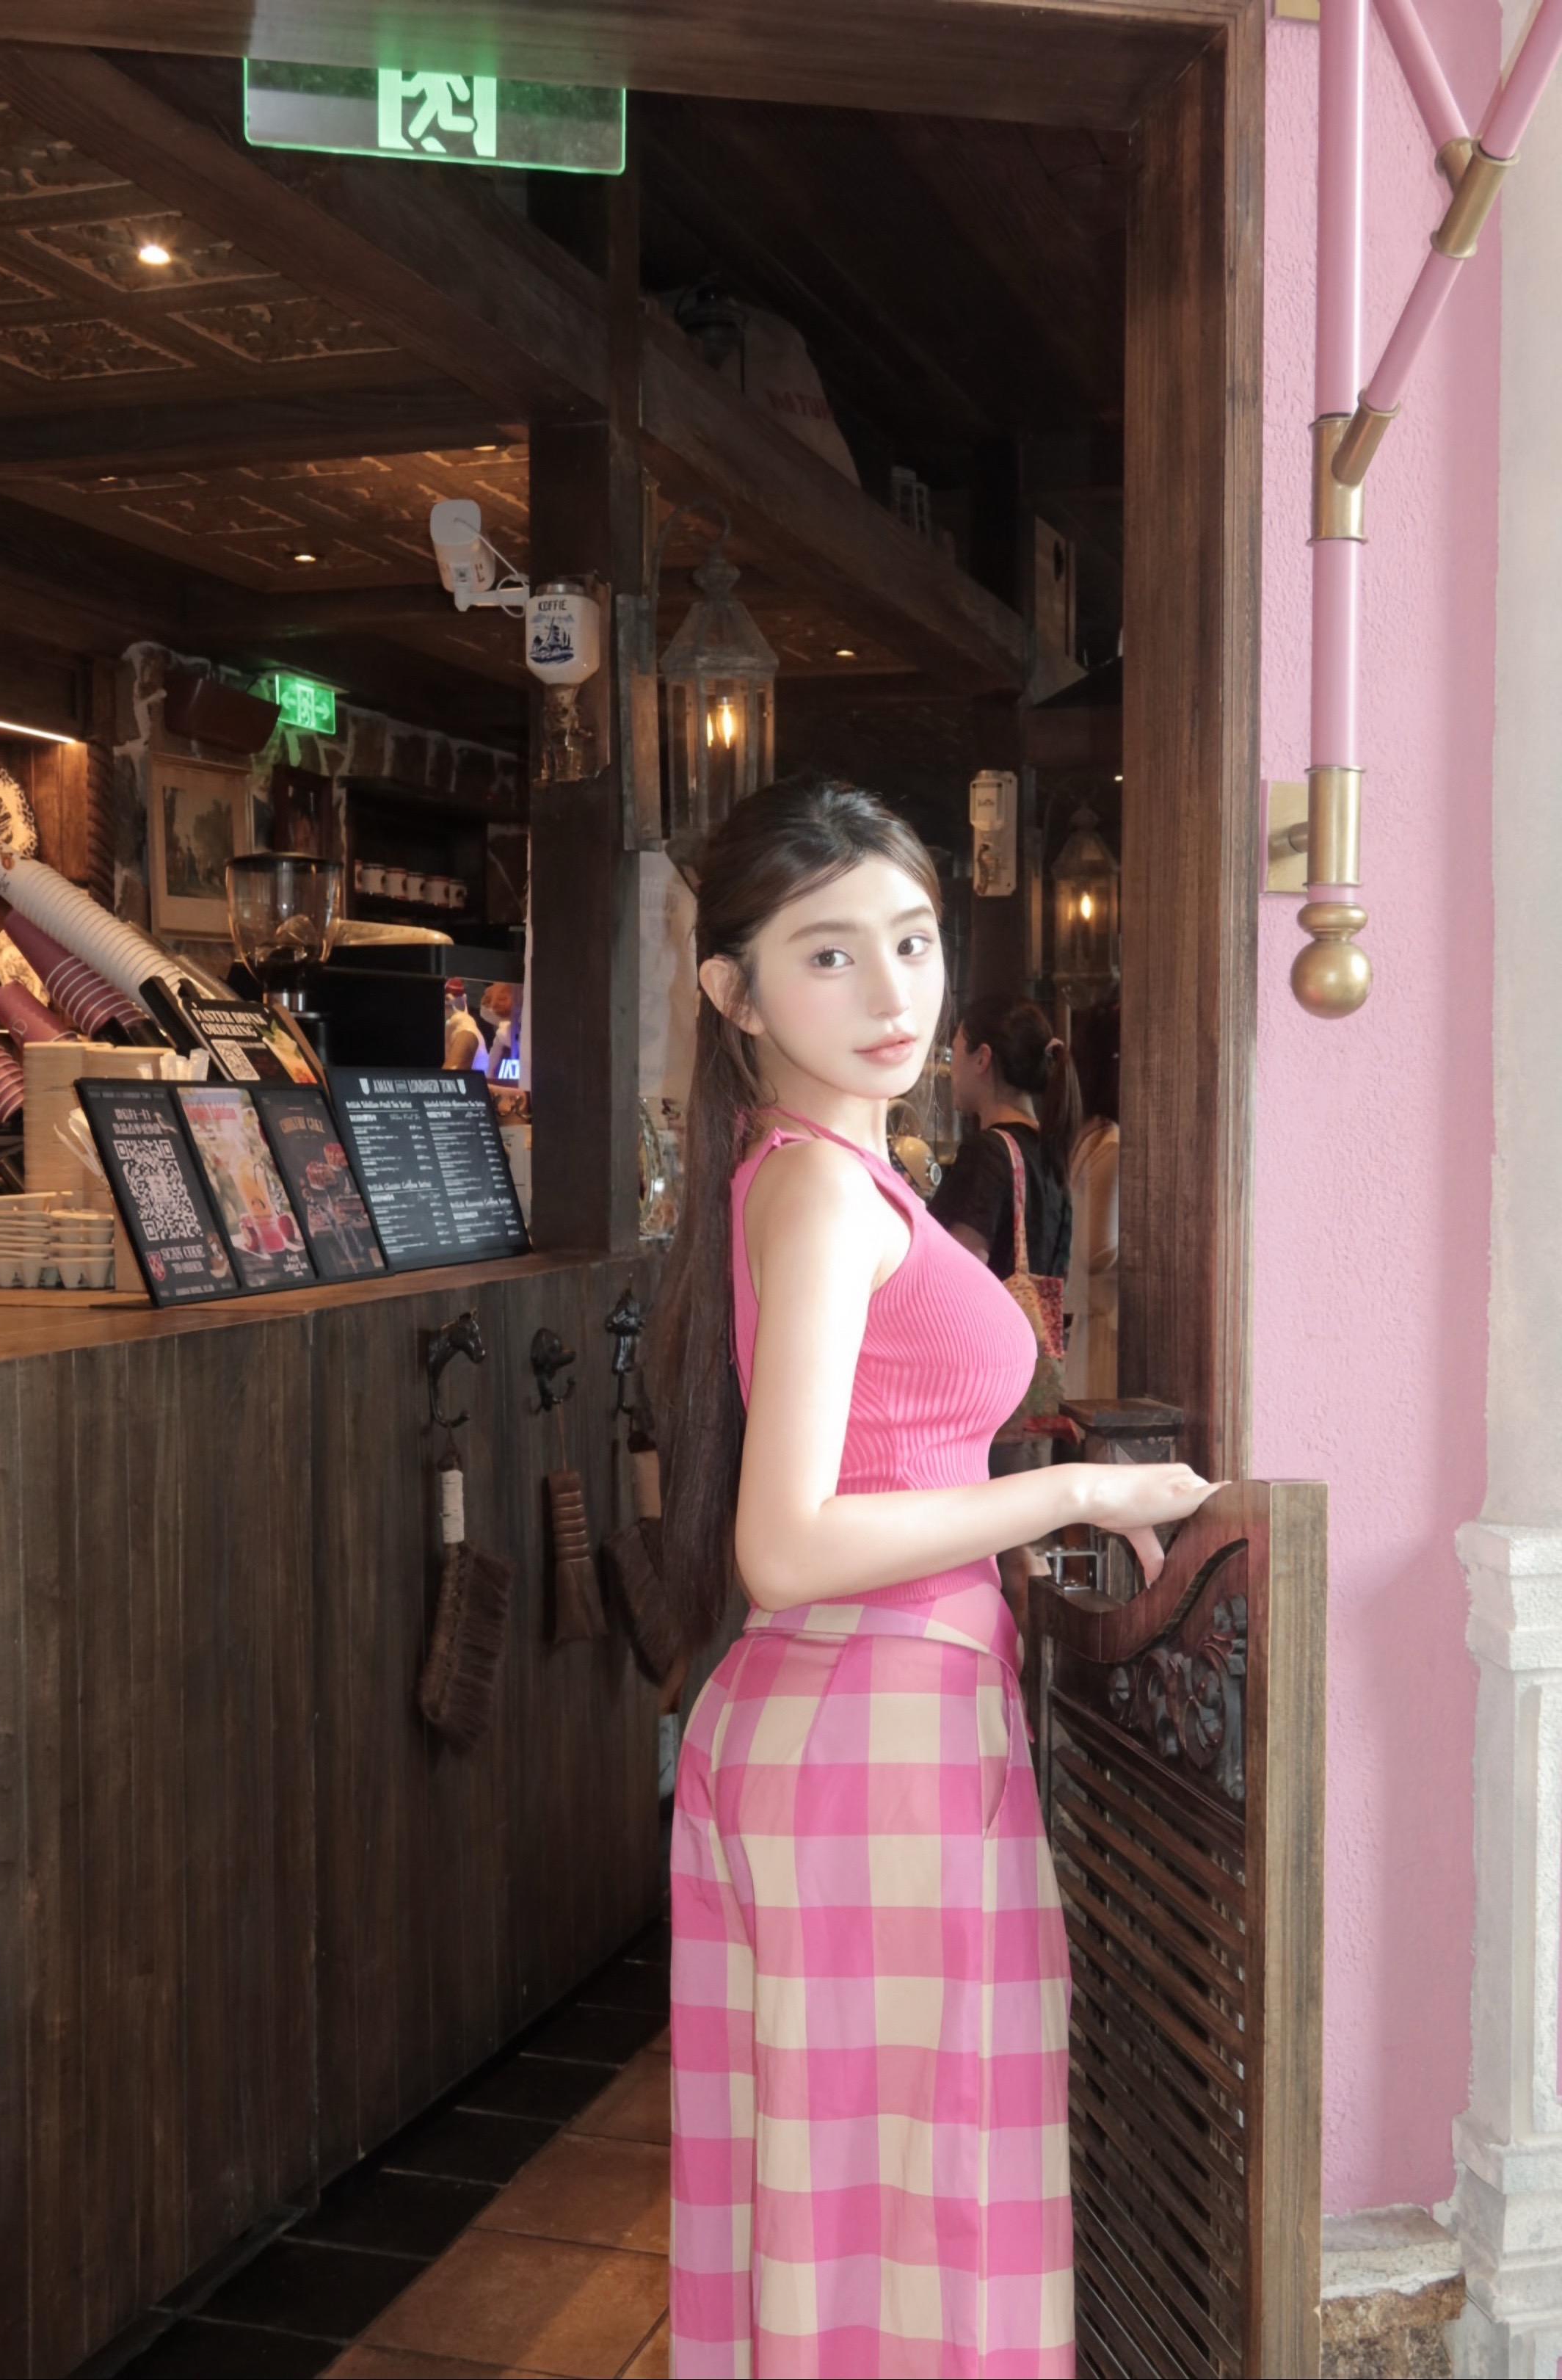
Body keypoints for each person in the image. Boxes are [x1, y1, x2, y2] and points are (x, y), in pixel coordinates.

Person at [650, 774, 1217, 2380]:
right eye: (827, 954)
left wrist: (1008, 1513)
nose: (891, 990)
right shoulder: (822, 1188)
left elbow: (873, 1472)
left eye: (911, 940)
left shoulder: (826, 1167)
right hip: (868, 1738)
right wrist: (1076, 1489)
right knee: (908, 2231)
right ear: (735, 994)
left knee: (859, 2222)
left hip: (864, 1724)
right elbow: (786, 1542)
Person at [931, 993, 1080, 1476]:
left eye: (957, 1052)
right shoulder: (1048, 1156)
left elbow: (960, 1273)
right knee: (1022, 1518)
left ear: (983, 1059)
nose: (952, 1070)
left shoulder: (990, 1152)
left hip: (982, 1389)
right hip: (1033, 1385)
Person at [1066, 1001, 1121, 1401]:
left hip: (1096, 1325)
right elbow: (1098, 1252)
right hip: (1106, 1329)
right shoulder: (1110, 1144)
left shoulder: (1094, 1134)